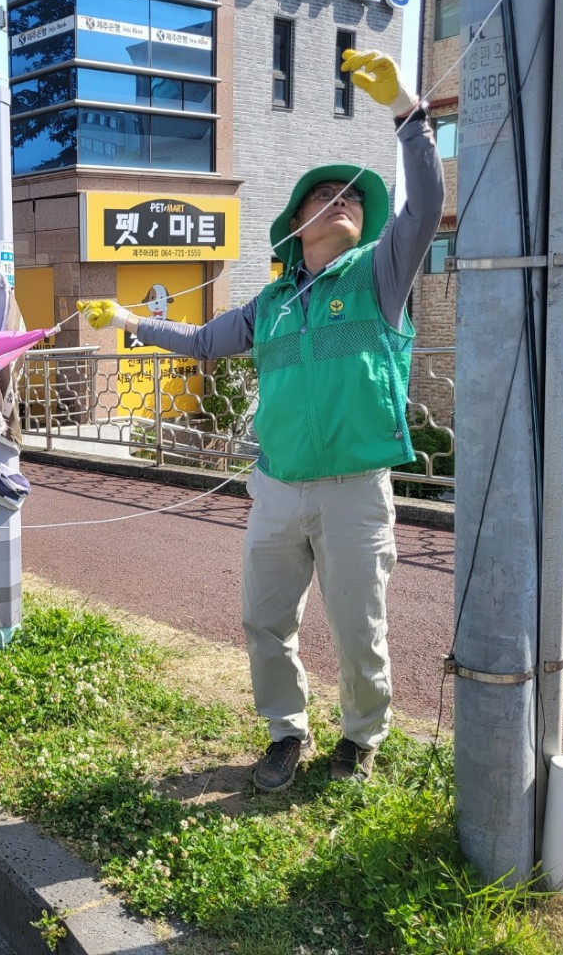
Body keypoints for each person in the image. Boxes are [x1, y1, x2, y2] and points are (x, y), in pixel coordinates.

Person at [83, 49, 444, 791]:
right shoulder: (271, 304)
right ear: (296, 224)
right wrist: (126, 318)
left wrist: (408, 114)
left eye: (353, 198)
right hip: (276, 487)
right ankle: (287, 731)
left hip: (353, 490)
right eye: (327, 196)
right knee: (265, 623)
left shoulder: (382, 273)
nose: (344, 201)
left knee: (357, 630)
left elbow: (427, 206)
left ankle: (362, 737)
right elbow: (202, 341)